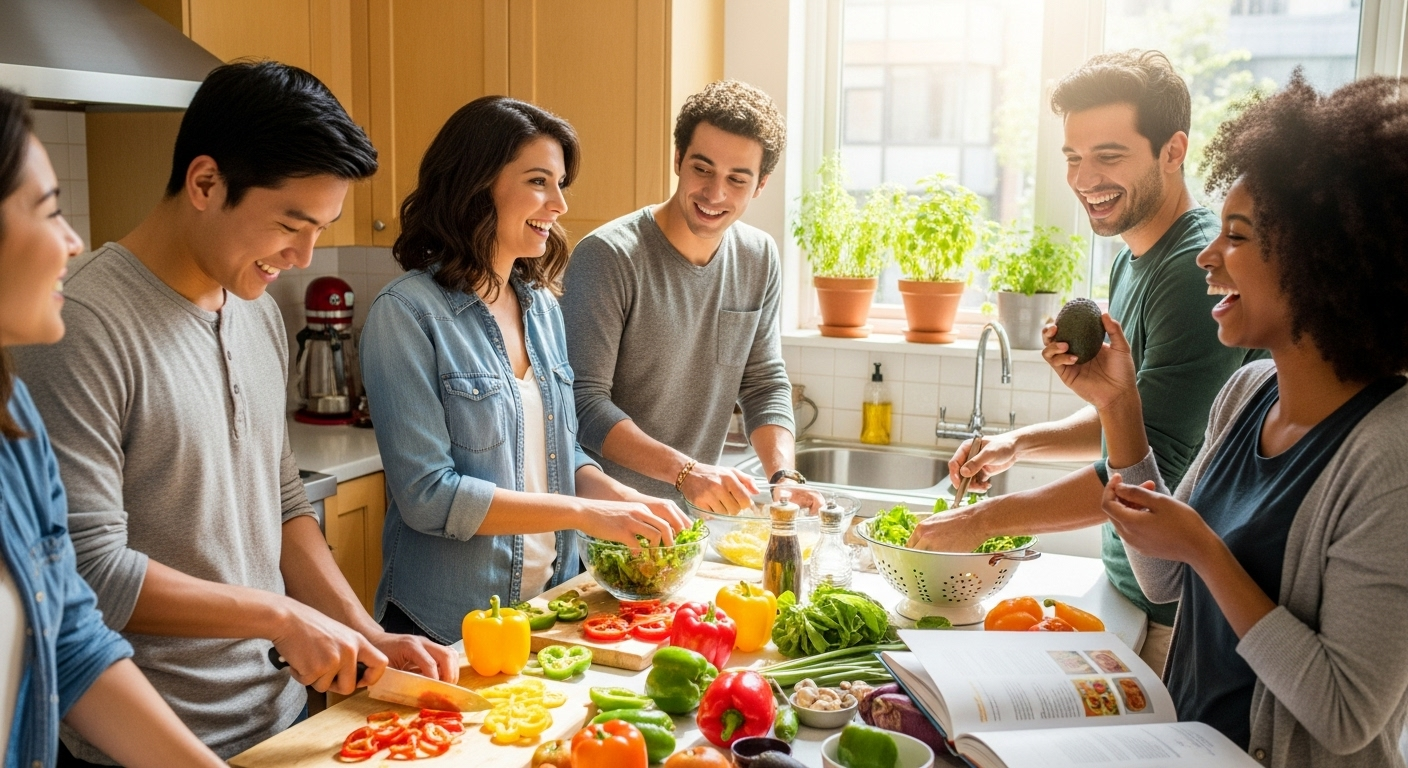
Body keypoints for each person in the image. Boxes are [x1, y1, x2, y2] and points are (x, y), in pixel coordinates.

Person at [12, 62, 456, 766]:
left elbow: (281, 505)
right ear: (205, 183)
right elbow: (91, 572)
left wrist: (361, 629)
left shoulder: (255, 310)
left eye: (323, 228)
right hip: (146, 742)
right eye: (290, 223)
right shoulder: (85, 326)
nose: (304, 254)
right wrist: (281, 616)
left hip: (280, 722)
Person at [1065, 73, 1408, 767]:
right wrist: (1118, 407)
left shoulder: (1389, 455)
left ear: (1323, 261)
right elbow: (1165, 579)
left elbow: (1346, 714)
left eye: (1238, 237)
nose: (1206, 256)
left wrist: (1207, 552)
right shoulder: (1248, 392)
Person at [909, 51, 1262, 671]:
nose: (1084, 178)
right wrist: (1019, 444)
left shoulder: (1188, 272)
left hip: (1176, 612)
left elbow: (1155, 474)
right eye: (1073, 157)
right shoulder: (1133, 258)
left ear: (1173, 151)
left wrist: (986, 521)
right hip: (1136, 588)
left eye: (1109, 155)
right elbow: (1132, 422)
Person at [359, 96, 689, 643]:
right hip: (445, 629)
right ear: (476, 184)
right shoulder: (407, 314)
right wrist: (584, 514)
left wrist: (623, 500)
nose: (558, 204)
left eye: (561, 183)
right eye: (539, 181)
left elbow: (558, 452)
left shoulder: (541, 307)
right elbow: (428, 497)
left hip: (548, 611)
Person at [0, 87, 224, 768]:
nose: (72, 241)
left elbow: (71, 642)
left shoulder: (14, 423)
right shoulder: (96, 327)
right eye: (50, 211)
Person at [560, 80, 800, 515]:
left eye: (737, 179)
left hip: (690, 527)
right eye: (702, 169)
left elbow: (763, 382)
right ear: (677, 159)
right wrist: (686, 472)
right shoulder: (609, 256)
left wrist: (784, 476)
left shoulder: (758, 256)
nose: (715, 194)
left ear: (761, 185)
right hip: (604, 525)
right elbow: (582, 403)